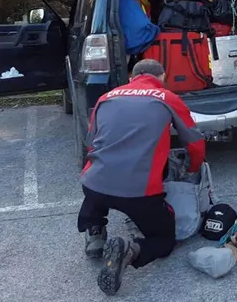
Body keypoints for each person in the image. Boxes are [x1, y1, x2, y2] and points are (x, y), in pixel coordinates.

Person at [78, 59, 206, 295]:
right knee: (164, 240)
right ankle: (130, 250)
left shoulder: (106, 98)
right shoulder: (167, 98)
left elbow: (90, 141)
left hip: (94, 183)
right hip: (139, 193)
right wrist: (192, 166)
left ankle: (94, 231)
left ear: (131, 78)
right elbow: (195, 141)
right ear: (163, 77)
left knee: (97, 186)